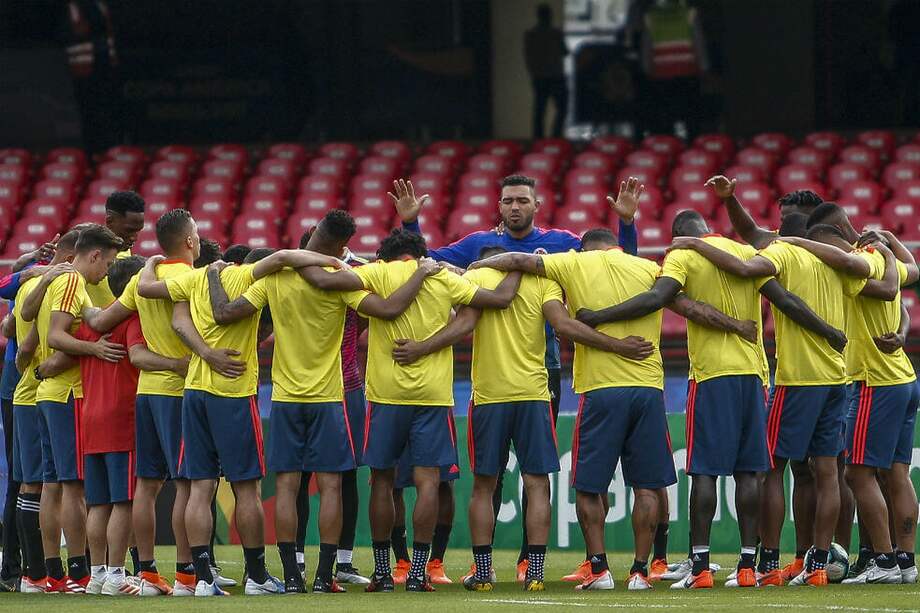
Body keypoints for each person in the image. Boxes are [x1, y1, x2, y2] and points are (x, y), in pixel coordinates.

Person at [576, 211, 850, 589]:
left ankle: (701, 567)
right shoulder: (742, 252)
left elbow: (658, 297)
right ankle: (748, 568)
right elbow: (784, 299)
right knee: (750, 472)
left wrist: (597, 316)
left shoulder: (683, 255)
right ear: (707, 230)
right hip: (754, 375)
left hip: (711, 375)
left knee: (704, 472)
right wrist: (829, 332)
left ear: (678, 235)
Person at [395, 175, 639, 579]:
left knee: (513, 475)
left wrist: (626, 225)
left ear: (536, 205)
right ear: (499, 205)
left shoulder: (561, 243)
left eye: (522, 200)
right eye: (507, 200)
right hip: (514, 380)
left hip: (543, 370)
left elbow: (615, 268)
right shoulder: (476, 246)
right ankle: (510, 565)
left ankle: (523, 560)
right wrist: (410, 225)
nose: (514, 207)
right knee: (522, 475)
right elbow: (423, 261)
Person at [206, 218, 439, 593]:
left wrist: (215, 275)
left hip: (284, 398)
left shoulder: (274, 279)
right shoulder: (343, 283)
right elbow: (391, 308)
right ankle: (325, 576)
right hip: (330, 398)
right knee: (333, 486)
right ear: (338, 247)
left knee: (286, 486)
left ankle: (292, 576)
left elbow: (225, 313)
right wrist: (421, 273)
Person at [469, 228, 683, 591]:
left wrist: (477, 264)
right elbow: (681, 303)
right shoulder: (647, 267)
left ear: (584, 249)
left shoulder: (572, 263)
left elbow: (520, 263)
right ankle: (639, 572)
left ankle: (597, 569)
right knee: (646, 486)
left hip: (594, 390)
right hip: (646, 388)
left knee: (582, 487)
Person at [668, 218, 877, 587]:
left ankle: (751, 563)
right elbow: (889, 286)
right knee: (823, 472)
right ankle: (812, 566)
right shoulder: (837, 260)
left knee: (763, 470)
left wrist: (695, 246)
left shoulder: (776, 253)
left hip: (791, 379)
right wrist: (831, 330)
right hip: (829, 376)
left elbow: (749, 275)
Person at [135, 246, 346, 596]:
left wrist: (150, 264)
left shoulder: (196, 276)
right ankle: (258, 576)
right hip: (232, 392)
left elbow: (150, 291)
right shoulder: (246, 276)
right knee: (246, 488)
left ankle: (201, 579)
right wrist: (331, 261)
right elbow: (281, 259)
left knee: (200, 487)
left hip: (194, 391)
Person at [318, 229, 520, 593]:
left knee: (382, 480)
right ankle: (418, 573)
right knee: (429, 483)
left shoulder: (377, 273)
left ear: (386, 255)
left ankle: (383, 573)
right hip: (433, 396)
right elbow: (496, 300)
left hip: (385, 395)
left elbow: (331, 279)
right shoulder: (441, 275)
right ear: (419, 253)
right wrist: (520, 264)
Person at [81, 209, 206, 596]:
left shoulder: (140, 278)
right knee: (186, 482)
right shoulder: (193, 278)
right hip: (177, 389)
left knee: (146, 486)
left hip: (145, 393)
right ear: (188, 241)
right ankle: (188, 575)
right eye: (197, 234)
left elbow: (101, 323)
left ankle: (148, 572)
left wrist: (75, 297)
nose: (199, 240)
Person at [68, 256, 186, 596]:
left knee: (99, 503)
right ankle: (118, 576)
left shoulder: (90, 324)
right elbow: (137, 357)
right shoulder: (132, 319)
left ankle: (96, 575)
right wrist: (176, 363)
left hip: (90, 417)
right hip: (121, 417)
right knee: (123, 502)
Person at [27, 225, 126, 592]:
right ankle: (80, 572)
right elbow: (56, 336)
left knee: (53, 485)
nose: (107, 272)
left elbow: (25, 320)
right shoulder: (72, 283)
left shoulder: (57, 280)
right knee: (73, 486)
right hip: (68, 393)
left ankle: (54, 573)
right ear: (95, 255)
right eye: (108, 263)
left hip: (47, 394)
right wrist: (95, 349)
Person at [292, 215, 372, 585]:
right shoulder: (293, 271)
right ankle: (305, 562)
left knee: (344, 475)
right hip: (327, 388)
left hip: (345, 386)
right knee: (310, 477)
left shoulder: (350, 275)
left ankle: (342, 561)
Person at [7, 231, 82, 593]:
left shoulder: (30, 286)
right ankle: (39, 573)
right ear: (73, 255)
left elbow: (13, 327)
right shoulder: (61, 284)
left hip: (25, 392)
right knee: (46, 484)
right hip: (43, 390)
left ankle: (33, 573)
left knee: (29, 483)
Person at [84, 191, 146, 308]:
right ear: (109, 221)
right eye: (129, 230)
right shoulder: (83, 249)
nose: (135, 237)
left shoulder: (125, 249)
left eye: (138, 231)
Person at [524, 4, 568, 138]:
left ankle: (538, 138)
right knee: (562, 108)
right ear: (550, 16)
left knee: (539, 110)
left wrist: (533, 71)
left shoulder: (530, 34)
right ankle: (556, 135)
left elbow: (528, 55)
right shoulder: (556, 33)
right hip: (555, 75)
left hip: (539, 76)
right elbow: (565, 51)